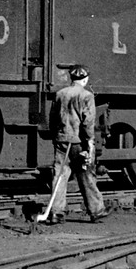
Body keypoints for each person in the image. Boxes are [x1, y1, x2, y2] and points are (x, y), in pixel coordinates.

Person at [42, 65, 108, 225]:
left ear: (72, 79)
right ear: (85, 79)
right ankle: (96, 211)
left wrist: (55, 135)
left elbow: (52, 118)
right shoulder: (87, 96)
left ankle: (56, 213)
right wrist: (89, 143)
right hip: (79, 142)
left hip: (62, 140)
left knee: (59, 176)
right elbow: (88, 122)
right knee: (86, 175)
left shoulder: (60, 94)